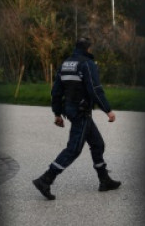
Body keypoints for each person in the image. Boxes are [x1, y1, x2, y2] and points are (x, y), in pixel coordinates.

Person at [32, 36, 121, 200]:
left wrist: (57, 113)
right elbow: (95, 90)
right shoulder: (87, 64)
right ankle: (46, 179)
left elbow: (56, 91)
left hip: (70, 110)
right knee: (73, 149)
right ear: (88, 48)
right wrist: (108, 110)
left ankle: (104, 180)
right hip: (81, 112)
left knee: (97, 143)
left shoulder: (65, 64)